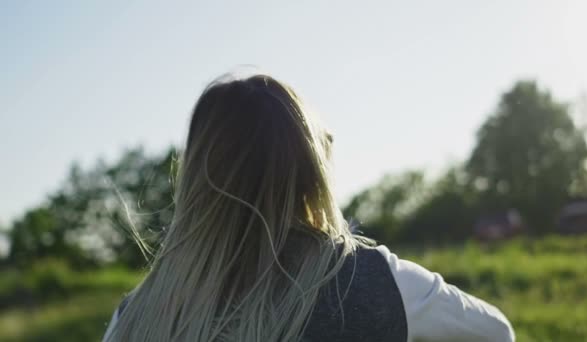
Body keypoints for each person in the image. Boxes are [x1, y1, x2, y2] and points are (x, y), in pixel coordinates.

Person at [102, 73, 515, 342]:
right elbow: (497, 333)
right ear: (309, 172)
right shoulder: (372, 282)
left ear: (194, 174)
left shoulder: (133, 318)